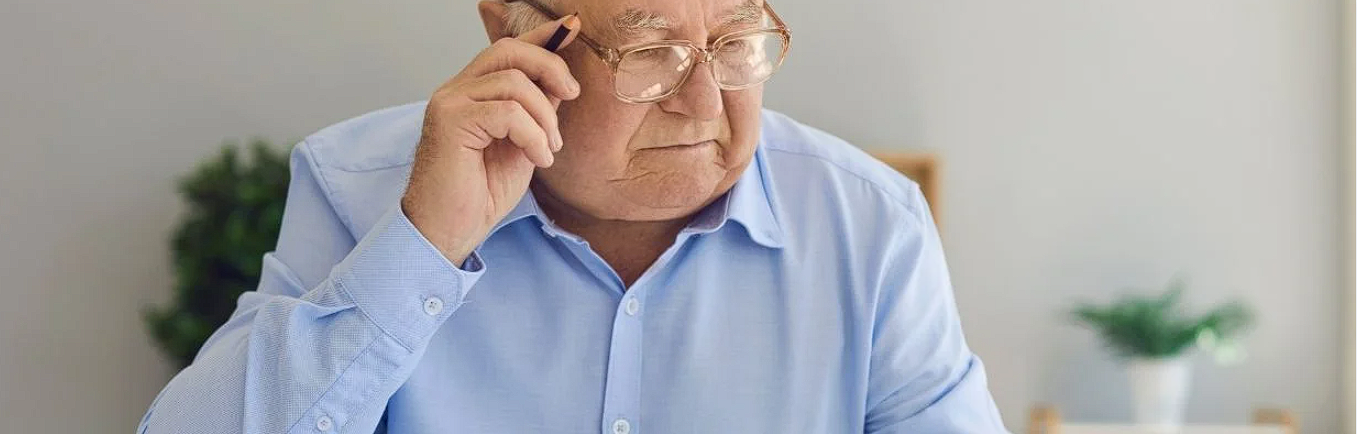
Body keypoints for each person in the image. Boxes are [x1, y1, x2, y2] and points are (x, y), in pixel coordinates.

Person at [137, 0, 1007, 432]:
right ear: (515, 31)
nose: (705, 103)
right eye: (652, 51)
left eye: (734, 43)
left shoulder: (868, 221)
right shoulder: (358, 183)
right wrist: (423, 245)